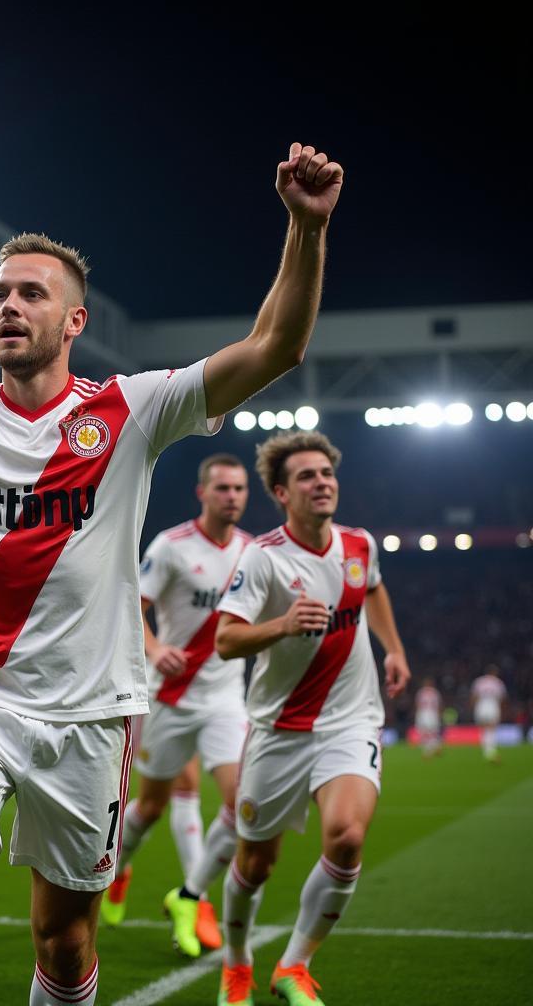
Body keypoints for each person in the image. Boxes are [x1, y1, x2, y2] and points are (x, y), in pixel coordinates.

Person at [0, 141, 344, 1006]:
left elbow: (275, 346)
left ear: (73, 322)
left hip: (91, 714)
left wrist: (305, 230)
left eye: (30, 294)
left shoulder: (131, 410)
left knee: (63, 940)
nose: (8, 307)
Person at [212, 431, 410, 1006]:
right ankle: (236, 963)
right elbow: (226, 640)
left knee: (348, 837)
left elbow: (373, 591)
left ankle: (293, 965)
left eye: (327, 473)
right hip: (278, 732)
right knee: (256, 862)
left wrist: (392, 648)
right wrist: (281, 624)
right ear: (281, 492)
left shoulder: (359, 544)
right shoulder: (265, 557)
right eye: (306, 476)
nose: (321, 482)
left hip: (350, 723)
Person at [100, 453, 252, 960]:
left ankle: (191, 896)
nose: (232, 496)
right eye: (223, 488)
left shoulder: (254, 553)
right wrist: (155, 648)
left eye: (239, 488)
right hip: (170, 697)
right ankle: (118, 868)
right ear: (202, 493)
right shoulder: (172, 547)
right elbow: (133, 607)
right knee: (153, 803)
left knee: (241, 804)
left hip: (227, 700)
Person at [471, 666, 507, 762]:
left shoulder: (479, 681)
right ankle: (490, 750)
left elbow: (474, 696)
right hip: (492, 705)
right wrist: (502, 709)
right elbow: (502, 698)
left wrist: (474, 708)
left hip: (481, 705)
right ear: (494, 673)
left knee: (483, 729)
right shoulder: (498, 682)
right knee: (491, 728)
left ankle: (486, 750)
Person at [414, 676, 442, 758]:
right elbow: (439, 705)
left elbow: (418, 704)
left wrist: (417, 714)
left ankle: (428, 751)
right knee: (432, 732)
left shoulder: (421, 692)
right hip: (432, 713)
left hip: (424, 713)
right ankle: (436, 746)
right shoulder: (435, 692)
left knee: (425, 732)